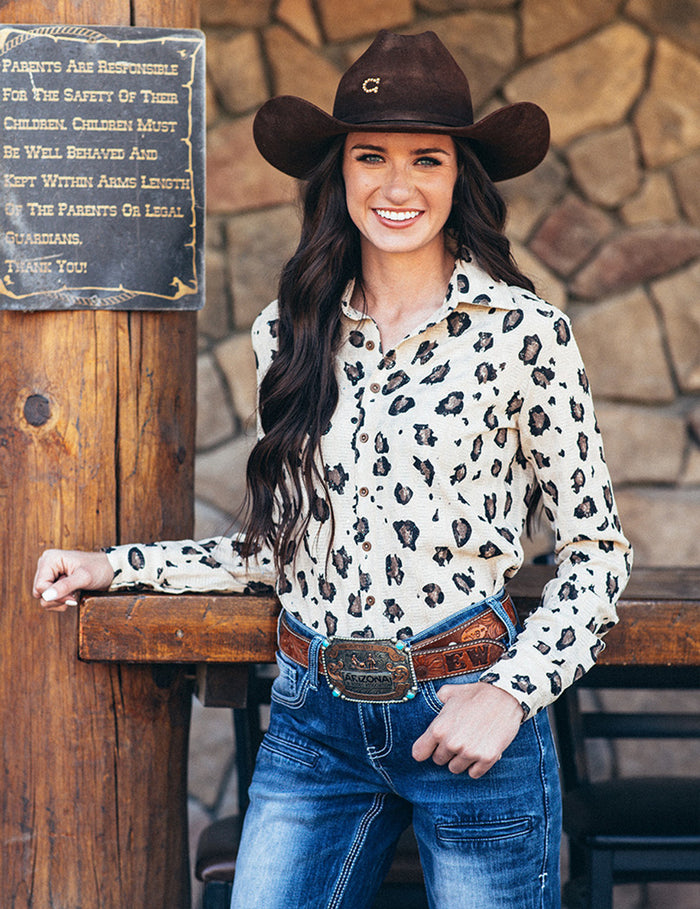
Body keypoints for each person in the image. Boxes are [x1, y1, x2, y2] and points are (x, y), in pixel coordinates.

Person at [34, 30, 632, 909]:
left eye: (427, 159)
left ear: (459, 176)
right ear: (339, 173)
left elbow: (598, 551)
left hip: (467, 708)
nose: (397, 185)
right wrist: (113, 565)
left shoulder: (524, 335)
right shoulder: (289, 331)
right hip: (314, 721)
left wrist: (509, 693)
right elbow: (284, 548)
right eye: (371, 157)